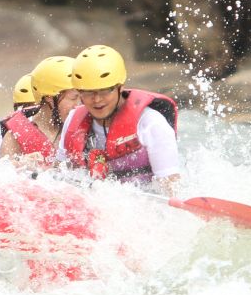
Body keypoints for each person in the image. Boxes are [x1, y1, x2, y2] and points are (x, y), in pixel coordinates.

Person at [56, 44, 182, 195]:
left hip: (143, 204)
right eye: (88, 92)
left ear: (120, 87)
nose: (96, 99)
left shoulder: (151, 123)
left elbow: (171, 189)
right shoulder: (73, 120)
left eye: (104, 90)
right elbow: (60, 175)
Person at [0, 56, 81, 166]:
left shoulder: (86, 129)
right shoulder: (14, 138)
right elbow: (0, 176)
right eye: (74, 98)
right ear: (49, 98)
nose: (78, 105)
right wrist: (21, 164)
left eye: (82, 97)